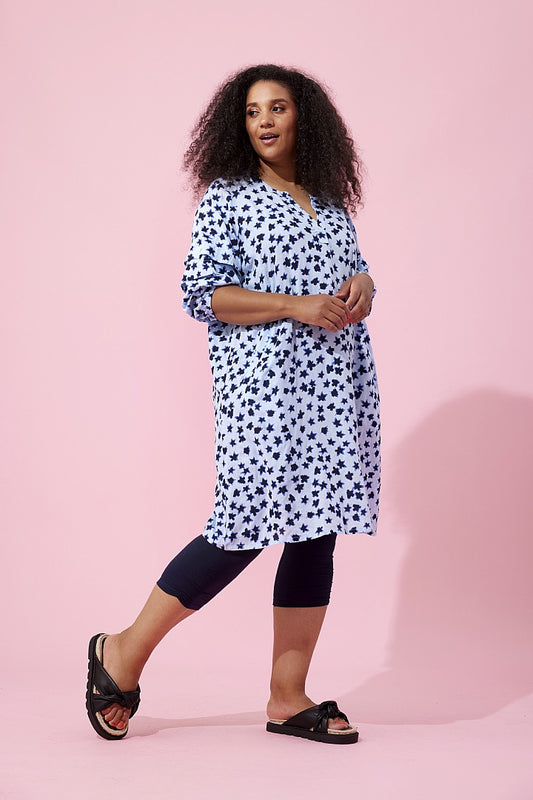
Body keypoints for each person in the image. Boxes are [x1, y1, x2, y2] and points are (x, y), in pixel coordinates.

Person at [86, 64, 380, 745]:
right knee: (240, 526)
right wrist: (294, 306)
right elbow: (203, 294)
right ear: (237, 125)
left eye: (277, 107)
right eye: (252, 112)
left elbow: (348, 278)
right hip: (264, 392)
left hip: (334, 391)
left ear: (304, 117)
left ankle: (287, 698)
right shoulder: (228, 198)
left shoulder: (328, 202)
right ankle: (121, 650)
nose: (265, 121)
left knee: (316, 531)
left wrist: (365, 283)